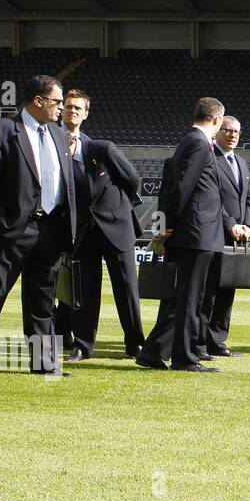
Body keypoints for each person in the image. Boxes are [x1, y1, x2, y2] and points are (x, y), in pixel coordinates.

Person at [0, 75, 76, 376]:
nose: (61, 109)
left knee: (42, 302)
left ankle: (44, 364)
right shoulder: (1, 130)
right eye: (56, 102)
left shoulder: (59, 135)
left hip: (50, 230)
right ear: (37, 101)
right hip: (12, 230)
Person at [55, 89, 146, 361]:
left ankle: (135, 344)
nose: (72, 111)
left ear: (86, 113)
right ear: (61, 109)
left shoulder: (102, 148)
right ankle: (83, 345)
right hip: (81, 233)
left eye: (78, 108)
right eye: (68, 106)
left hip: (116, 228)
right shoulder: (52, 147)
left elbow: (133, 181)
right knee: (84, 291)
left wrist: (116, 208)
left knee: (127, 288)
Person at [137, 97, 225, 372]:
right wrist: (165, 226)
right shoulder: (198, 143)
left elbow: (177, 185)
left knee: (182, 298)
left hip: (194, 231)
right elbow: (182, 188)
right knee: (189, 297)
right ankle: (184, 357)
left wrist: (165, 224)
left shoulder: (191, 142)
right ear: (216, 120)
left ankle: (154, 352)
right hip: (196, 232)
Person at [199, 115, 250, 358]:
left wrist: (249, 225)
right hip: (214, 233)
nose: (232, 135)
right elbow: (212, 198)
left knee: (227, 291)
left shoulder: (241, 162)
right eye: (227, 130)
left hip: (237, 237)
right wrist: (230, 223)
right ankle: (200, 340)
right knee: (208, 290)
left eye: (236, 132)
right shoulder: (210, 158)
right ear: (217, 131)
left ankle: (218, 340)